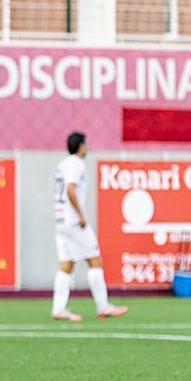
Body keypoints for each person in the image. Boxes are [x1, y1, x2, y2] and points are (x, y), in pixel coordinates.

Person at [51, 131, 127, 322]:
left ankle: (58, 309)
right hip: (73, 220)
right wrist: (80, 215)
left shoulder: (62, 164)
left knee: (66, 265)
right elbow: (70, 188)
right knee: (94, 261)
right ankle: (103, 306)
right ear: (81, 146)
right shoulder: (77, 163)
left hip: (60, 220)